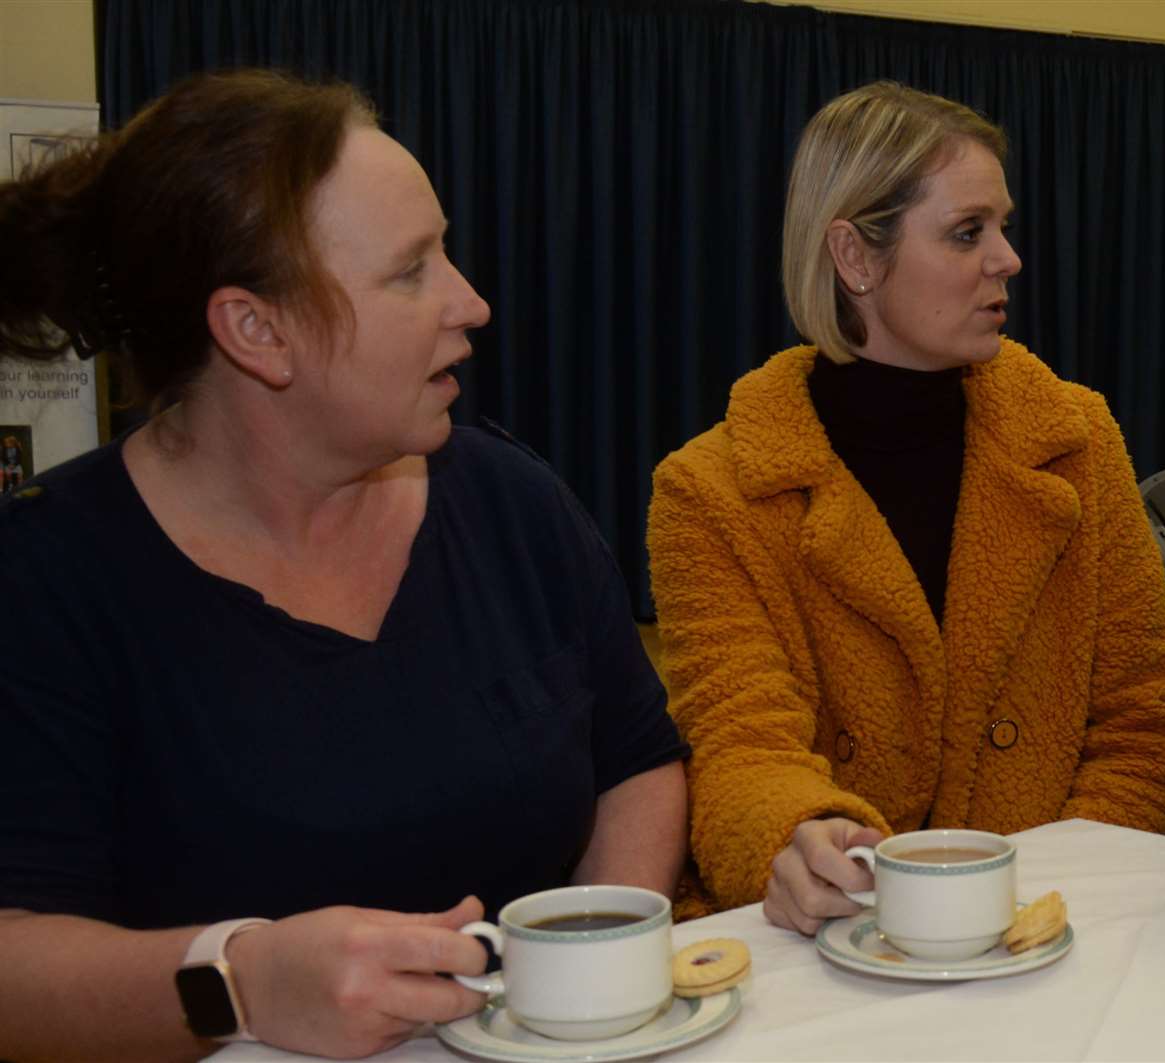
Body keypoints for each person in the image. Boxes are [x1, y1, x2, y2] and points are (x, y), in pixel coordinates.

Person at [0, 71, 689, 1059]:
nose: (472, 302)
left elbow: (635, 759)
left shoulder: (508, 501)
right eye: (411, 270)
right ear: (256, 330)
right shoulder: (47, 582)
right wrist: (239, 980)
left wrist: (581, 978)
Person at [648, 82, 1165, 931]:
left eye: (1004, 226)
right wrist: (803, 839)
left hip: (1060, 935)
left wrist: (1040, 904)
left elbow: (1146, 722)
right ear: (855, 257)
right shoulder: (711, 491)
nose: (1009, 257)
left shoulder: (1077, 439)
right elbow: (740, 746)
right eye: (967, 232)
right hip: (834, 948)